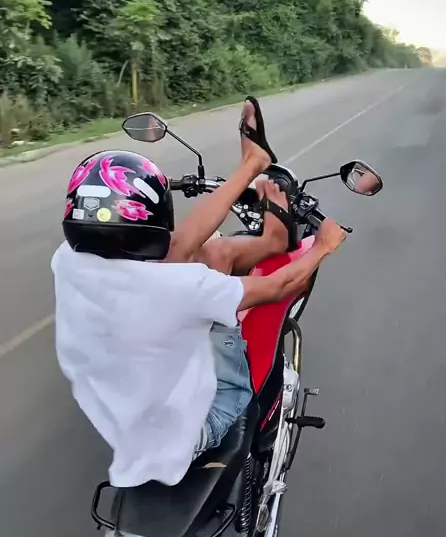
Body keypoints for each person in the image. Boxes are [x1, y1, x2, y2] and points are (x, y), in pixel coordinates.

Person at [52, 98, 345, 488]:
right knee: (217, 263)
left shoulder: (67, 260)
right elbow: (283, 285)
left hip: (122, 412)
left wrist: (245, 171)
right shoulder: (182, 287)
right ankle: (272, 235)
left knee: (208, 251)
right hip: (195, 428)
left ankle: (253, 164)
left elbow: (175, 246)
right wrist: (323, 246)